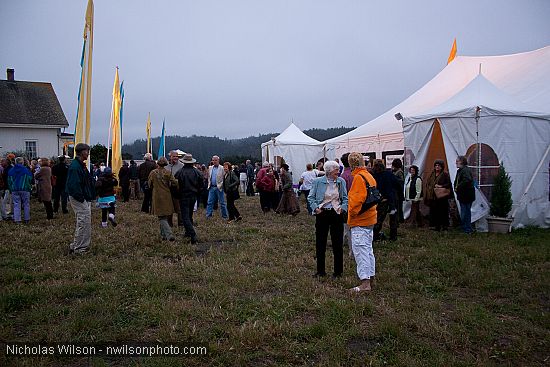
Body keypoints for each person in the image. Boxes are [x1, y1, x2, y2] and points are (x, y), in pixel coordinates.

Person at [308, 160, 348, 278]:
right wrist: (316, 209)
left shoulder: (341, 182)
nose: (338, 172)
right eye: (336, 171)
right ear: (329, 171)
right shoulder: (317, 182)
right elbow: (311, 198)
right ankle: (320, 271)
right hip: (322, 214)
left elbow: (345, 198)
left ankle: (338, 272)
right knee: (320, 243)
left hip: (336, 214)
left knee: (337, 243)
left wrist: (343, 208)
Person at [347, 152, 378, 292]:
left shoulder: (358, 178)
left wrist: (351, 214)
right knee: (368, 249)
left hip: (360, 220)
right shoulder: (369, 176)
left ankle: (365, 283)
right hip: (370, 218)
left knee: (360, 251)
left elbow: (355, 202)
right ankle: (371, 277)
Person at [66, 143, 95, 254]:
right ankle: (80, 248)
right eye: (87, 151)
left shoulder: (79, 165)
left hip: (82, 197)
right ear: (82, 152)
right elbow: (73, 185)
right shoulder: (75, 167)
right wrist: (81, 198)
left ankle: (77, 245)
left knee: (83, 221)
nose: (88, 153)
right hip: (78, 197)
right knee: (83, 221)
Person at [175, 154, 203, 243]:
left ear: (184, 162)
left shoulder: (179, 172)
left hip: (183, 196)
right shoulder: (197, 172)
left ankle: (192, 233)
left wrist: (177, 195)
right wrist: (198, 193)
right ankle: (188, 233)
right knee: (190, 214)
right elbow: (201, 185)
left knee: (185, 217)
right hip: (193, 196)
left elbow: (175, 186)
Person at [148, 157, 178, 241]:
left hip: (157, 196)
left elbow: (149, 184)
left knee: (161, 217)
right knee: (163, 215)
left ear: (157, 164)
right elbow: (175, 182)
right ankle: (163, 235)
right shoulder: (167, 172)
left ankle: (169, 234)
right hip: (167, 195)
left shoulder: (153, 173)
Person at [372, 160, 398, 241]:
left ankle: (375, 235)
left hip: (380, 200)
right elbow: (396, 184)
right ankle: (393, 236)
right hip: (390, 199)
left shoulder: (374, 176)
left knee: (378, 219)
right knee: (393, 218)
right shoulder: (389, 174)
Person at [424, 159, 452, 231]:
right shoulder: (432, 174)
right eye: (436, 165)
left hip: (441, 197)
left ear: (442, 167)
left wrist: (441, 186)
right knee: (434, 212)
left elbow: (449, 184)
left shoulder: (445, 174)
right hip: (433, 197)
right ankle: (436, 226)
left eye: (438, 165)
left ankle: (444, 226)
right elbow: (428, 183)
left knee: (442, 212)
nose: (437, 167)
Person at [8, 157, 33, 224]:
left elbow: (9, 181)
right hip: (25, 188)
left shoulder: (11, 170)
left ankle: (17, 220)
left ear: (15, 162)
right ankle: (26, 219)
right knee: (26, 204)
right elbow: (30, 179)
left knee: (16, 204)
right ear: (22, 162)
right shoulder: (26, 170)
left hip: (14, 189)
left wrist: (11, 189)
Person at [454, 155, 475, 234]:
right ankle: (466, 228)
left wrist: (458, 187)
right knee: (466, 211)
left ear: (462, 161)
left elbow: (467, 179)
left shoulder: (464, 170)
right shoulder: (462, 170)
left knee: (465, 212)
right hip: (465, 195)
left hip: (466, 195)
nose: (456, 162)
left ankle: (467, 229)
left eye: (457, 161)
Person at [340, 153, 353, 254]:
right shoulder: (356, 174)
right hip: (356, 203)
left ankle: (351, 250)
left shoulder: (343, 176)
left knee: (347, 227)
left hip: (347, 204)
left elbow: (340, 193)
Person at [166, 151, 184, 227]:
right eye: (174, 156)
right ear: (170, 157)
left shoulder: (182, 166)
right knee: (169, 208)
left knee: (179, 209)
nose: (176, 158)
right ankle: (169, 224)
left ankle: (181, 224)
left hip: (177, 191)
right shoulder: (166, 166)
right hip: (167, 190)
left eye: (177, 156)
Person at [391, 158, 405, 223]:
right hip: (397, 192)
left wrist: (394, 179)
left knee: (399, 206)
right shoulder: (396, 171)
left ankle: (400, 219)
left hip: (398, 192)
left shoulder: (399, 172)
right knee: (398, 206)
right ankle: (399, 219)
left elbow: (402, 181)